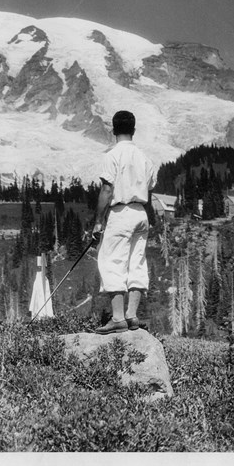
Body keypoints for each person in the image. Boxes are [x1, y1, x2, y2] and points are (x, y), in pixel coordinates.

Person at [92, 111, 156, 335]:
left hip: (121, 212)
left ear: (113, 130)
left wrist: (98, 222)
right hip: (141, 212)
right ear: (134, 131)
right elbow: (150, 187)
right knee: (137, 262)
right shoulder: (144, 157)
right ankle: (132, 315)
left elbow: (107, 190)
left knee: (111, 260)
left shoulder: (112, 155)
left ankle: (118, 318)